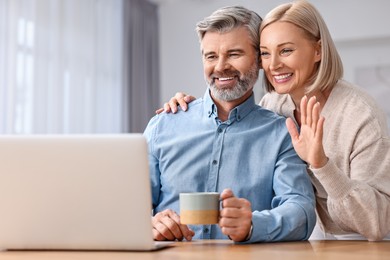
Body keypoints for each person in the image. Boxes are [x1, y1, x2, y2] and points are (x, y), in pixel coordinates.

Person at [158, 0, 390, 241]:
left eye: (286, 50)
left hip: (366, 241)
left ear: (318, 50)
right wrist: (192, 109)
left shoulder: (359, 114)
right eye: (266, 53)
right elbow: (233, 111)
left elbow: (376, 223)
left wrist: (321, 164)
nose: (274, 64)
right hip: (317, 239)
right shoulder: (276, 104)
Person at [144, 5, 316, 243]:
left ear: (259, 59)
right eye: (211, 56)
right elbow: (127, 206)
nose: (221, 66)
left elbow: (301, 210)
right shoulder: (162, 126)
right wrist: (150, 224)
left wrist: (254, 225)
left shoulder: (282, 133)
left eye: (234, 54)